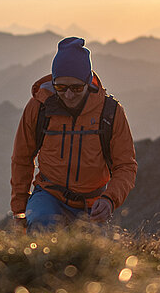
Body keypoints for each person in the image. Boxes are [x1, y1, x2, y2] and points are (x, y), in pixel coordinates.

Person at [10, 37, 138, 230]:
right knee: (40, 226)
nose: (68, 95)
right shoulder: (39, 107)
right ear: (53, 83)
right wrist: (20, 210)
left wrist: (109, 199)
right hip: (48, 195)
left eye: (76, 88)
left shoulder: (110, 113)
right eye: (61, 87)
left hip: (92, 204)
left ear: (89, 83)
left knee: (93, 257)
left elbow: (126, 166)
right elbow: (22, 158)